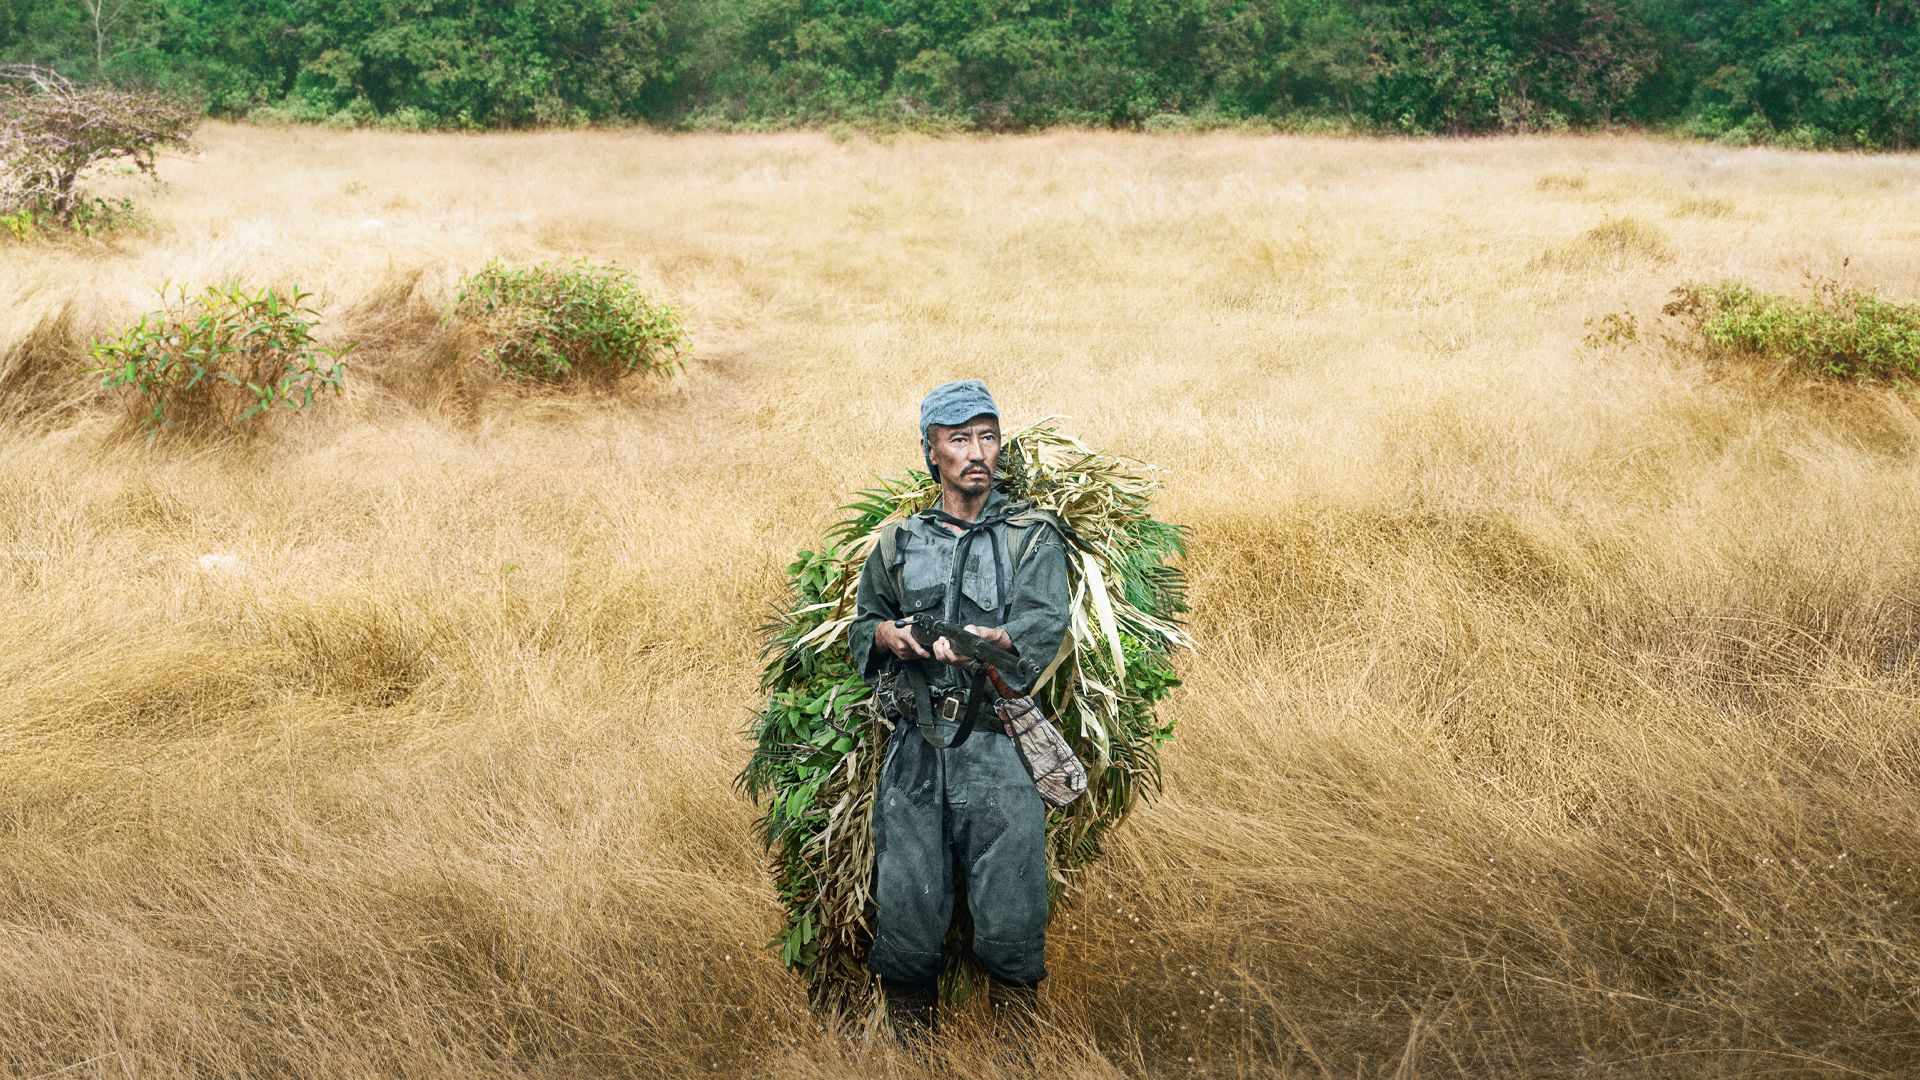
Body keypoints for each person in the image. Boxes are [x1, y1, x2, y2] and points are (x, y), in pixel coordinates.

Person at [847, 379, 1074, 1041]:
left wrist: (997, 647)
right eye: (958, 439)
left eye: (987, 436)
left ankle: (1018, 1059)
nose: (977, 452)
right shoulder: (897, 542)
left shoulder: (1032, 538)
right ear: (932, 453)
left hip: (1000, 750)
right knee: (908, 926)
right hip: (915, 756)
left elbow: (1043, 627)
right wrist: (890, 637)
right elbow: (865, 625)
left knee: (1011, 923)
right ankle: (914, 1057)